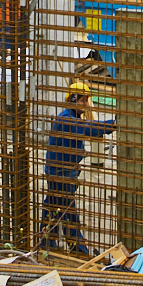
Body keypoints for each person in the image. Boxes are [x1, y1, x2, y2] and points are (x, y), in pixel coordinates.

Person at [40, 81, 114, 255]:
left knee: (53, 208)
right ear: (73, 99)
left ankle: (46, 242)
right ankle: (77, 249)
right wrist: (112, 124)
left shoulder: (70, 117)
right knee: (68, 213)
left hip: (61, 173)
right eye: (83, 100)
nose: (87, 104)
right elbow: (89, 129)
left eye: (87, 100)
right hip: (60, 175)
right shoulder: (67, 120)